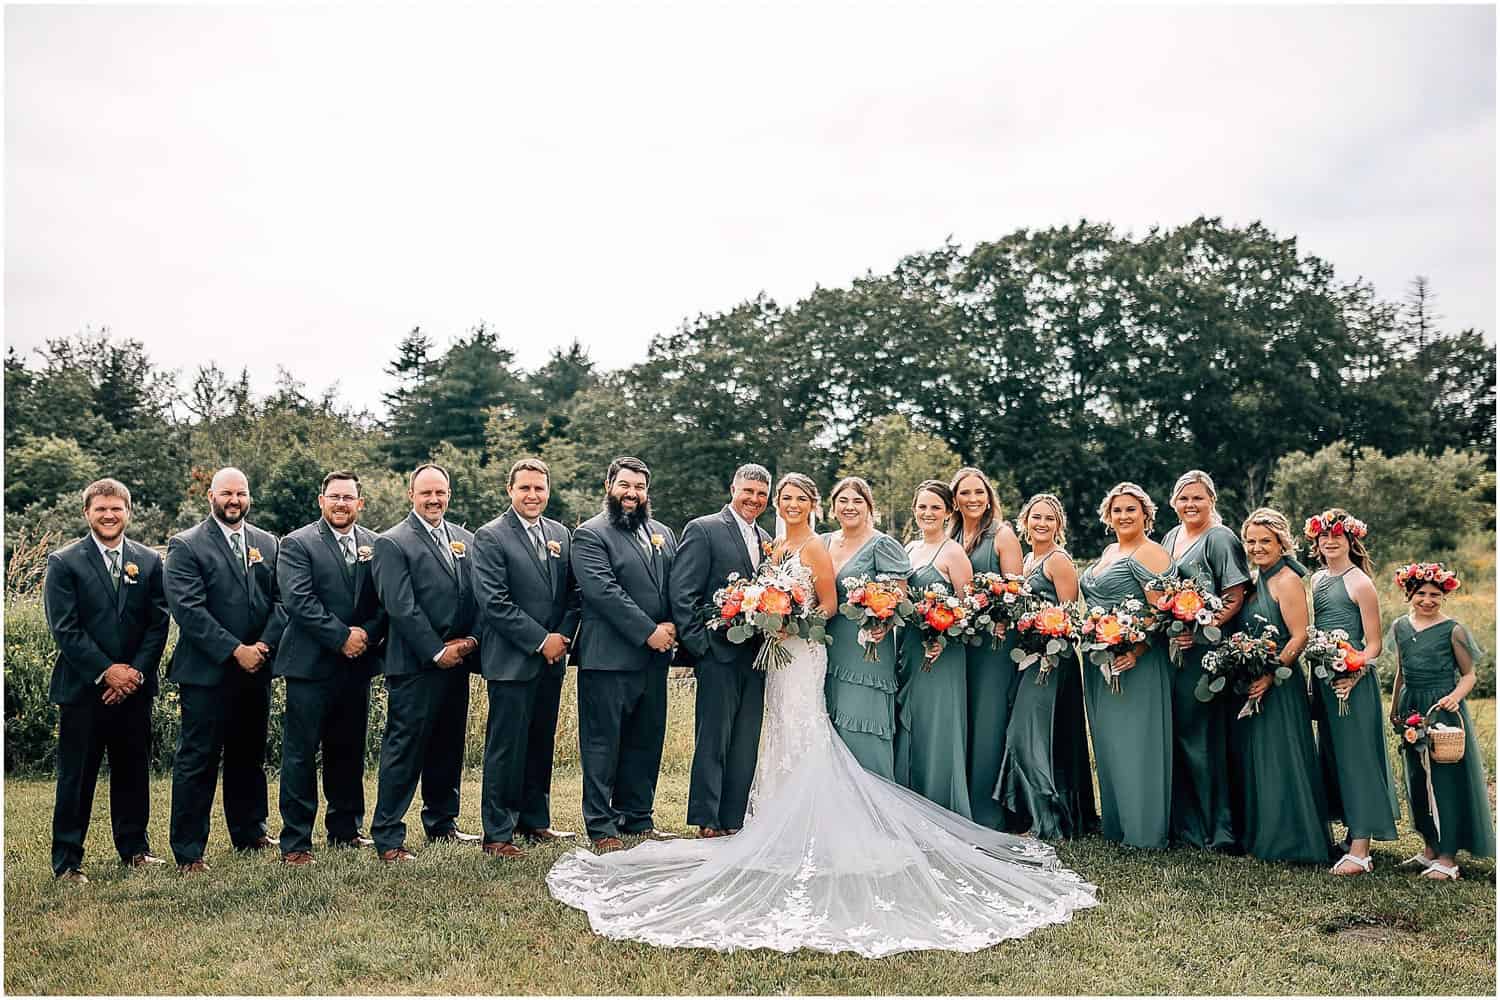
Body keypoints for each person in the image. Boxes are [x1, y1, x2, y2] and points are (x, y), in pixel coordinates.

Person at [546, 473, 1098, 957]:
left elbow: (829, 604)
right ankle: (772, 817)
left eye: (793, 497)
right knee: (779, 732)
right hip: (777, 654)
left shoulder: (811, 547)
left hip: (805, 650)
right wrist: (764, 613)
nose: (784, 504)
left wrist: (791, 619)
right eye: (778, 496)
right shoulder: (773, 544)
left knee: (807, 729)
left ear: (812, 504)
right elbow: (760, 592)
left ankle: (817, 821)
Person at [45, 478, 171, 881]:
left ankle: (134, 849)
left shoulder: (149, 561)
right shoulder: (64, 562)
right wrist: (107, 672)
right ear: (87, 513)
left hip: (135, 688)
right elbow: (65, 628)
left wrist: (133, 673)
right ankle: (68, 861)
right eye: (101, 508)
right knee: (77, 777)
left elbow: (158, 623)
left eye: (116, 508)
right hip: (84, 689)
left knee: (133, 770)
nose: (109, 515)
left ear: (128, 513)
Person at [163, 467, 284, 873]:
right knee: (198, 758)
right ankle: (189, 850)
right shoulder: (186, 545)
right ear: (210, 497)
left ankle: (250, 831)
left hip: (257, 668)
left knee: (249, 755)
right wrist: (235, 650)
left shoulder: (267, 542)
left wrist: (262, 647)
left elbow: (281, 603)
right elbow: (188, 611)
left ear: (249, 497)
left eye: (242, 494)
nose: (235, 500)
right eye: (227, 493)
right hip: (207, 672)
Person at [274, 470, 388, 865]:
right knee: (301, 754)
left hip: (357, 666)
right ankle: (296, 841)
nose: (341, 504)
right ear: (321, 501)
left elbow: (383, 603)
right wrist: (342, 636)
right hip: (310, 665)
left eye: (348, 497)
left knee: (348, 750)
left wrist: (366, 636)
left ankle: (345, 829)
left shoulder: (375, 544)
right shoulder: (297, 543)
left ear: (360, 503)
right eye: (334, 497)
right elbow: (298, 600)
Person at [369, 463, 481, 862]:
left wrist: (468, 643)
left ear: (449, 494)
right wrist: (437, 650)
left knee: (447, 747)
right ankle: (388, 835)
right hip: (415, 665)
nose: (434, 500)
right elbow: (400, 606)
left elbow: (477, 598)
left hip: (458, 662)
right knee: (405, 749)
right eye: (426, 493)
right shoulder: (392, 542)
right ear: (411, 495)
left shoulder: (465, 540)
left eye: (441, 493)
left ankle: (442, 823)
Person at [471, 458, 582, 857]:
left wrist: (563, 636)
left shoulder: (560, 533)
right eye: (525, 488)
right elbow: (494, 602)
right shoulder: (490, 536)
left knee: (540, 741)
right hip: (512, 660)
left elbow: (574, 594)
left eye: (539, 488)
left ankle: (535, 820)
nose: (533, 495)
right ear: (510, 490)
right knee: (506, 746)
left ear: (547, 490)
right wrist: (540, 640)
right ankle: (498, 833)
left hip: (552, 659)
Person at [571, 457, 679, 852]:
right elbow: (603, 592)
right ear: (609, 486)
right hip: (608, 659)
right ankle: (601, 825)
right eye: (625, 485)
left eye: (639, 487)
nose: (632, 493)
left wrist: (673, 626)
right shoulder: (589, 535)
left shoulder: (663, 533)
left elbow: (675, 586)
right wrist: (648, 631)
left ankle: (638, 818)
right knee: (602, 743)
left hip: (654, 660)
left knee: (646, 740)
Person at [670, 463, 774, 838]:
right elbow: (683, 594)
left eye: (762, 494)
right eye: (748, 491)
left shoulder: (767, 538)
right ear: (733, 488)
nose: (754, 499)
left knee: (746, 739)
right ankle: (706, 818)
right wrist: (701, 648)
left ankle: (734, 818)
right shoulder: (704, 529)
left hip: (758, 656)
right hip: (717, 654)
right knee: (713, 737)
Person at [993, 493, 1097, 840]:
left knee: (1025, 737)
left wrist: (1047, 643)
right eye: (1036, 517)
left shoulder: (1058, 561)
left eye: (1049, 519)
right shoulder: (1025, 560)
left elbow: (1068, 616)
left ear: (1058, 525)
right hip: (1029, 657)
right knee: (1035, 736)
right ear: (1025, 522)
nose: (1041, 523)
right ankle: (1031, 816)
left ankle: (1047, 822)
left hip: (1053, 659)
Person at [1078, 482, 1174, 849]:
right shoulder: (1109, 550)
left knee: (1138, 744)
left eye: (1131, 509)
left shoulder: (1152, 553)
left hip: (1136, 663)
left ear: (1146, 514)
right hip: (1101, 659)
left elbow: (1161, 611)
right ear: (1108, 515)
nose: (1124, 516)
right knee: (1111, 744)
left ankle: (1145, 830)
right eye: (1117, 510)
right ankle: (1118, 823)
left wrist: (1136, 649)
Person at [1235, 508, 1334, 864]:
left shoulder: (1287, 579)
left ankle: (1293, 842)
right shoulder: (1254, 577)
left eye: (1265, 541)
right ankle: (1264, 836)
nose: (1258, 547)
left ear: (1281, 543)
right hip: (1254, 680)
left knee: (1282, 757)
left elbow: (1300, 635)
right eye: (1251, 541)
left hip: (1280, 683)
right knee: (1259, 760)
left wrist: (1271, 673)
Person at [1159, 471, 1249, 852]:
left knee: (1207, 739)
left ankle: (1221, 830)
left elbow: (1235, 596)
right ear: (1173, 503)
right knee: (1180, 736)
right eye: (1183, 499)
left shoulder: (1221, 538)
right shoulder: (1170, 537)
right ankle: (1188, 825)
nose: (1190, 505)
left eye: (1198, 498)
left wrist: (1201, 629)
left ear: (1212, 499)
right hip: (1174, 653)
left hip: (1207, 653)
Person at [1305, 508, 1399, 875]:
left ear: (1350, 541)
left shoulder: (1360, 582)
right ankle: (1350, 833)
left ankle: (1362, 850)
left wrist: (1354, 673)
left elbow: (1373, 644)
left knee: (1358, 757)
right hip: (1326, 681)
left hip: (1352, 684)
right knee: (1335, 755)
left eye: (1337, 537)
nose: (1329, 542)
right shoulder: (1316, 581)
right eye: (1323, 537)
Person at [1387, 563, 1494, 880]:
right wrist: (1395, 708)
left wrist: (1455, 697)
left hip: (1441, 710)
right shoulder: (1400, 627)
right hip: (1412, 708)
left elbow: (1470, 675)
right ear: (1410, 593)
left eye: (1435, 594)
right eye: (1421, 593)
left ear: (1444, 596)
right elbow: (1401, 673)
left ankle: (1448, 855)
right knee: (1417, 779)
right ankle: (1430, 847)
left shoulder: (1454, 630)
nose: (1428, 600)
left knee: (1444, 780)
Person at [948, 467, 1025, 830]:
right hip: (960, 642)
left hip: (994, 643)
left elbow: (1015, 592)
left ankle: (987, 811)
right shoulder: (953, 533)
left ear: (989, 496)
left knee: (988, 721)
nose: (973, 499)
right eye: (965, 493)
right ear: (955, 499)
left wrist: (993, 615)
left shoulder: (1002, 535)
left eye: (979, 492)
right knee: (964, 717)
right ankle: (958, 800)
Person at [820, 476, 909, 779]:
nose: (850, 507)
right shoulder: (823, 542)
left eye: (858, 501)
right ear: (833, 507)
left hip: (867, 649)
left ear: (869, 507)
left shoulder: (882, 545)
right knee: (831, 726)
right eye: (843, 500)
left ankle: (874, 809)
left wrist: (883, 621)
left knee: (862, 725)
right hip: (827, 649)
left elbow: (900, 596)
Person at [897, 480, 973, 816]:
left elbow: (969, 606)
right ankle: (908, 801)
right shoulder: (909, 548)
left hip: (941, 652)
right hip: (911, 647)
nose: (928, 513)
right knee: (909, 719)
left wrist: (945, 637)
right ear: (914, 509)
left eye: (935, 508)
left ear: (948, 512)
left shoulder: (953, 552)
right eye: (922, 507)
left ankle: (941, 806)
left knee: (936, 723)